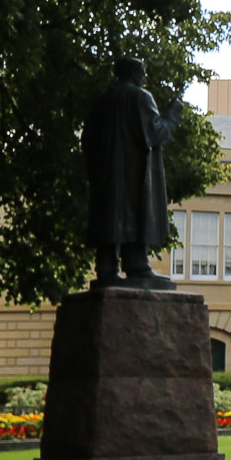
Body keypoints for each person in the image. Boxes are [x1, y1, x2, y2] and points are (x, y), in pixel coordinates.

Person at [82, 56, 185, 289]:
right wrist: (174, 113)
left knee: (110, 216)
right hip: (133, 174)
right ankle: (137, 265)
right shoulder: (140, 97)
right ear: (134, 73)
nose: (145, 77)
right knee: (136, 213)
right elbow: (157, 132)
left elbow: (87, 140)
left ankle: (106, 267)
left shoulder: (101, 103)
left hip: (105, 176)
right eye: (143, 72)